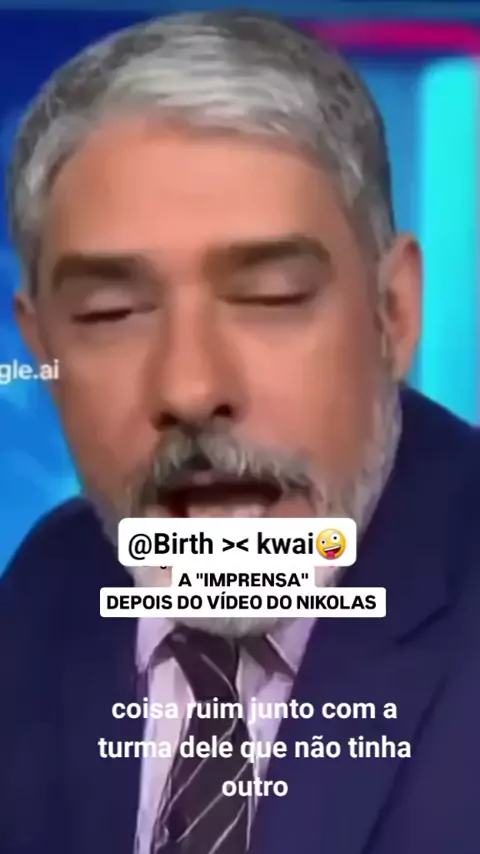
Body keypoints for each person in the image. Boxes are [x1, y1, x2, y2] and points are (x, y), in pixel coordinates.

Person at [1, 9, 480, 854]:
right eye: (110, 313)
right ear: (43, 351)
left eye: (270, 298)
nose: (191, 388)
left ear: (393, 312)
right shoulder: (44, 592)